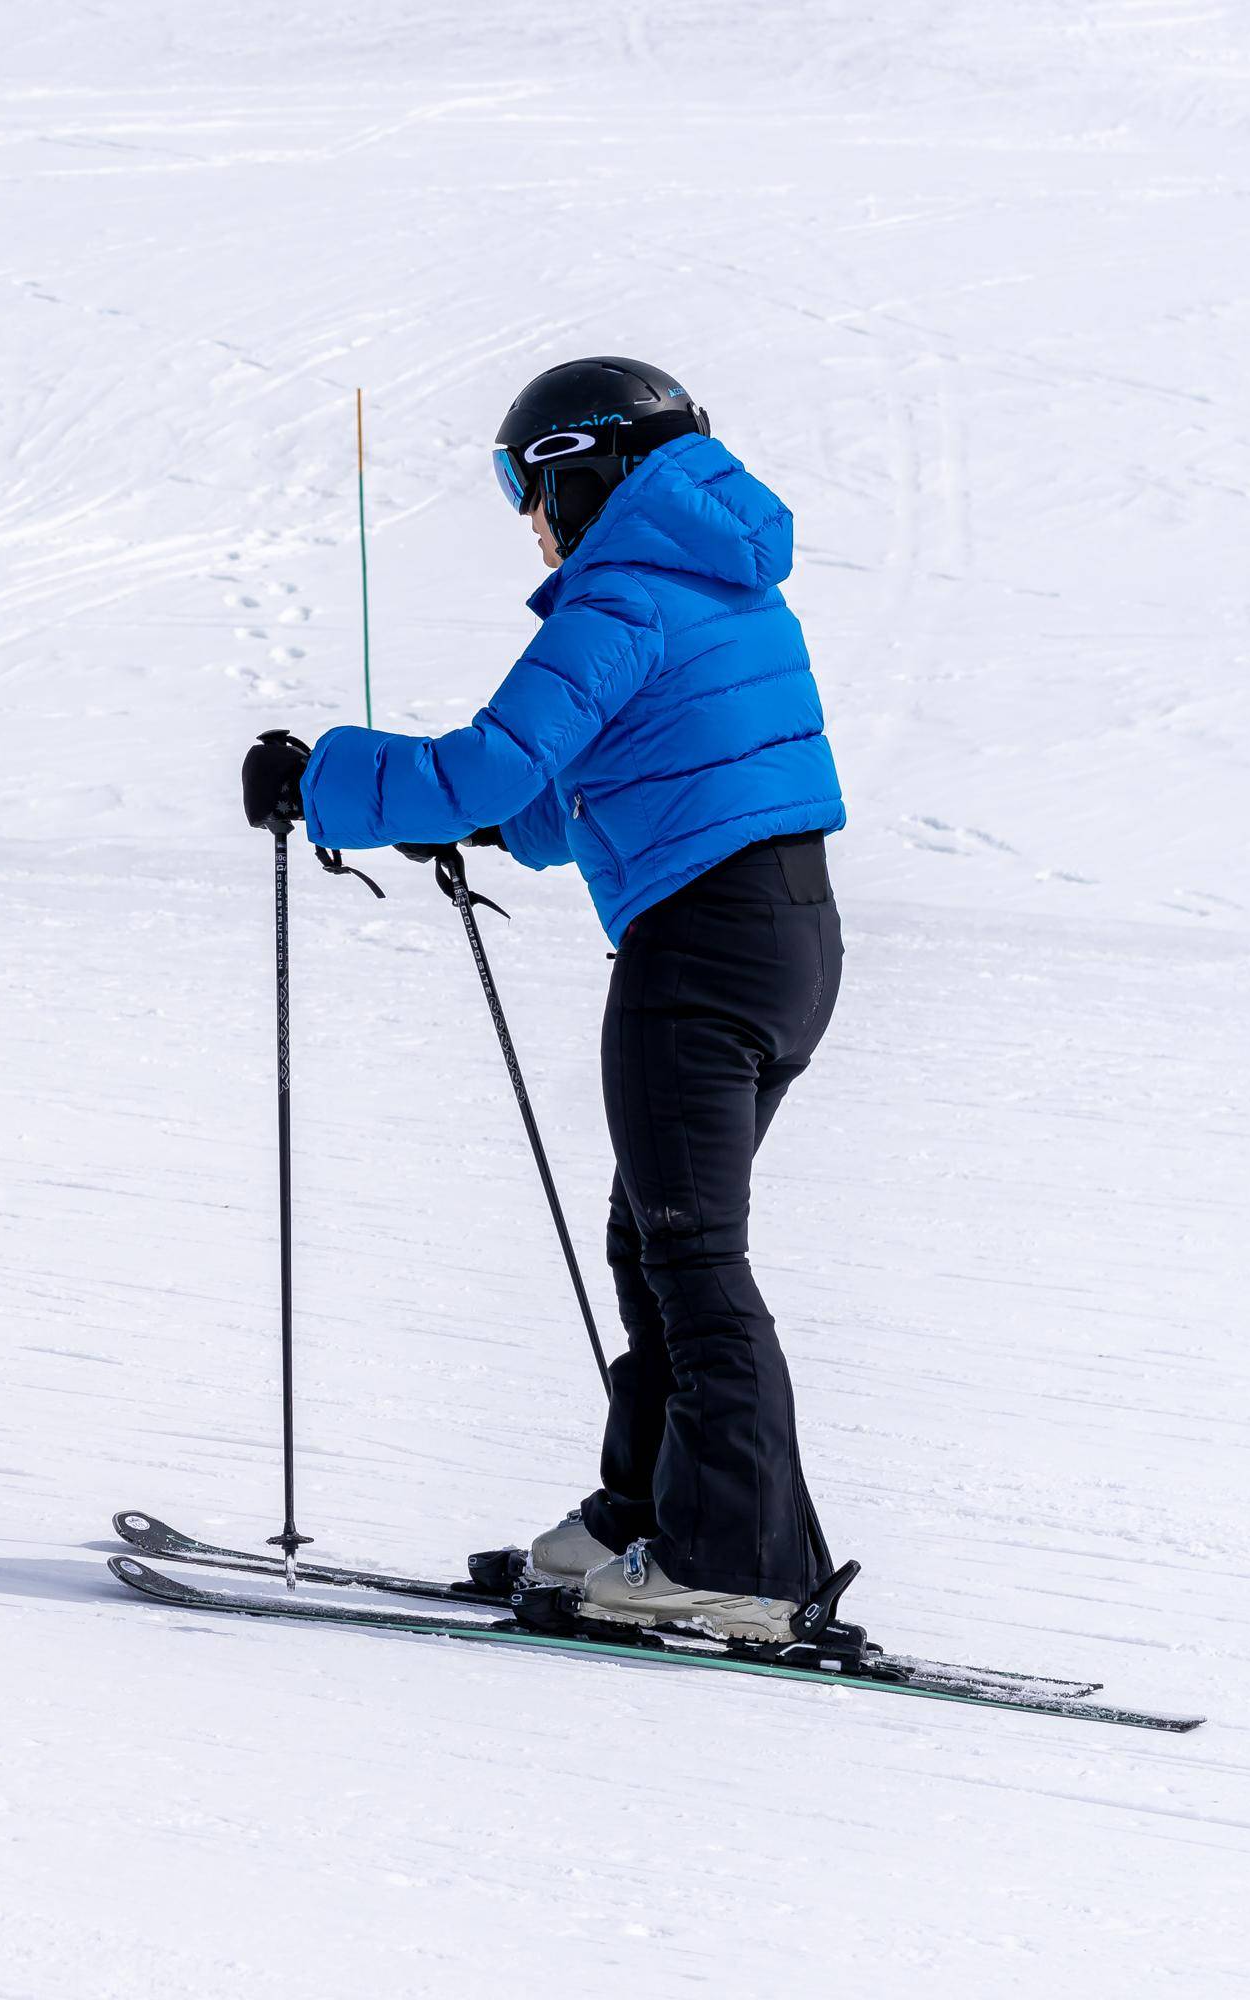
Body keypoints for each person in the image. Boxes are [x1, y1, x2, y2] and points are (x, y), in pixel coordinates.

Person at [240, 357, 846, 1643]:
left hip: (701, 949)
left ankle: (733, 1561)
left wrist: (325, 780)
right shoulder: (716, 582)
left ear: (586, 467)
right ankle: (647, 1514)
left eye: (531, 488)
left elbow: (487, 764)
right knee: (654, 1237)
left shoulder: (622, 593)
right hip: (786, 938)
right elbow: (585, 788)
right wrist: (471, 826)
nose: (532, 518)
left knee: (689, 1255)